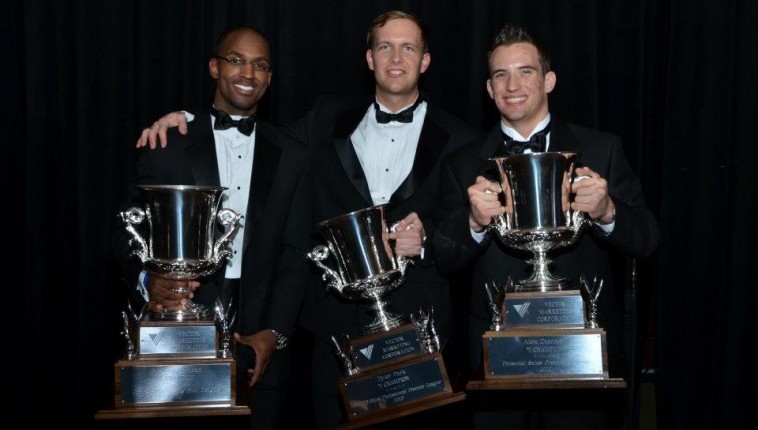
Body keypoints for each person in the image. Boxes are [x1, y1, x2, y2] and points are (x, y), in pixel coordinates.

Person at [136, 11, 481, 429]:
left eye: (408, 47)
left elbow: (467, 235)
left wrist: (427, 241)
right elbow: (258, 139)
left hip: (420, 327)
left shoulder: (461, 139)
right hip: (334, 332)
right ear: (369, 58)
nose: (395, 58)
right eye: (384, 46)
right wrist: (187, 119)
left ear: (425, 61)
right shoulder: (324, 119)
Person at [431, 24, 659, 429]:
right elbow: (445, 258)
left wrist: (607, 211)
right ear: (488, 88)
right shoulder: (462, 163)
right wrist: (474, 223)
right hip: (497, 361)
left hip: (579, 360)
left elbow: (647, 238)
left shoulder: (600, 150)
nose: (512, 84)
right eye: (500, 75)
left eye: (525, 71)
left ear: (548, 79)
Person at [114, 26, 311, 430]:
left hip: (260, 335)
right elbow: (126, 229)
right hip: (179, 320)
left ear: (270, 77)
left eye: (260, 65)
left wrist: (273, 334)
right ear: (214, 67)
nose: (248, 73)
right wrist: (148, 281)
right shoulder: (168, 141)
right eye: (236, 60)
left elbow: (296, 251)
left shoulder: (293, 153)